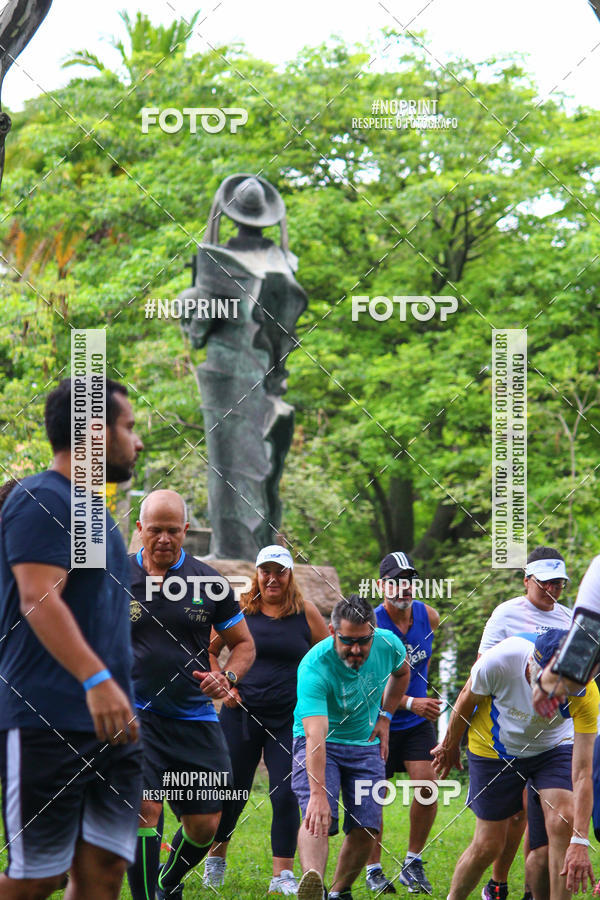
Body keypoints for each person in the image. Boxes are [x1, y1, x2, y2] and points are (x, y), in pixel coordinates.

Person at [0, 377, 144, 900]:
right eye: (129, 427)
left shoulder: (96, 513)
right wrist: (97, 678)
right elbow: (37, 597)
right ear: (94, 433)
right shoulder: (42, 498)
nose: (138, 441)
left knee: (105, 870)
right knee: (37, 876)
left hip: (113, 724)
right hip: (49, 719)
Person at [125, 489, 256, 900]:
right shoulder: (114, 577)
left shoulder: (209, 583)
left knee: (206, 824)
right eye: (155, 530)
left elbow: (245, 645)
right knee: (146, 809)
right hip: (135, 714)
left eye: (172, 530)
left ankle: (166, 883)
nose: (163, 539)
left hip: (193, 717)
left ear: (185, 530)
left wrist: (228, 679)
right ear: (140, 529)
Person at [432, 629, 598, 900]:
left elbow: (582, 773)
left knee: (562, 818)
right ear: (534, 665)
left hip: (552, 748)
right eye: (556, 683)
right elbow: (465, 697)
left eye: (571, 685)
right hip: (493, 748)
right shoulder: (500, 659)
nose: (563, 693)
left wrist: (580, 840)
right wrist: (450, 745)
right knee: (488, 845)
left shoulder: (585, 692)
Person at [202, 544, 329, 896]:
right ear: (257, 574)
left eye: (281, 571)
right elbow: (209, 650)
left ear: (290, 576)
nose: (272, 578)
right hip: (240, 714)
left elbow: (327, 654)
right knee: (233, 790)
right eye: (266, 571)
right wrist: (225, 685)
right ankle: (215, 860)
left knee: (287, 792)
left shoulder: (306, 613)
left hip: (289, 718)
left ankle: (282, 875)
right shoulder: (240, 611)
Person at [292, 594, 410, 900]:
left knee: (367, 826)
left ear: (373, 632)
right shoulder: (314, 667)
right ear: (332, 632)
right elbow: (316, 735)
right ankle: (312, 883)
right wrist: (318, 795)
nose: (356, 650)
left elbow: (402, 672)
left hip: (364, 744)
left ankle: (338, 892)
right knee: (318, 817)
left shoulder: (388, 644)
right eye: (347, 641)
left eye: (363, 641)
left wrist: (385, 716)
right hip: (321, 743)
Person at [478, 546, 572, 900]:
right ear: (527, 580)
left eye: (559, 583)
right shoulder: (506, 614)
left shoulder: (568, 617)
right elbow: (482, 671)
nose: (553, 590)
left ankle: (535, 890)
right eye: (546, 583)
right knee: (512, 817)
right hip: (507, 725)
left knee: (550, 815)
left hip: (553, 731)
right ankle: (498, 882)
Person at [365, 551, 441, 895]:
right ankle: (373, 869)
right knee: (373, 796)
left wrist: (419, 704)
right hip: (376, 721)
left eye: (408, 580)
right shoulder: (371, 624)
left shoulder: (430, 616)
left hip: (415, 725)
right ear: (381, 585)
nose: (403, 587)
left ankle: (413, 861)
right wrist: (410, 701)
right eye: (395, 581)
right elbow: (364, 680)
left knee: (427, 787)